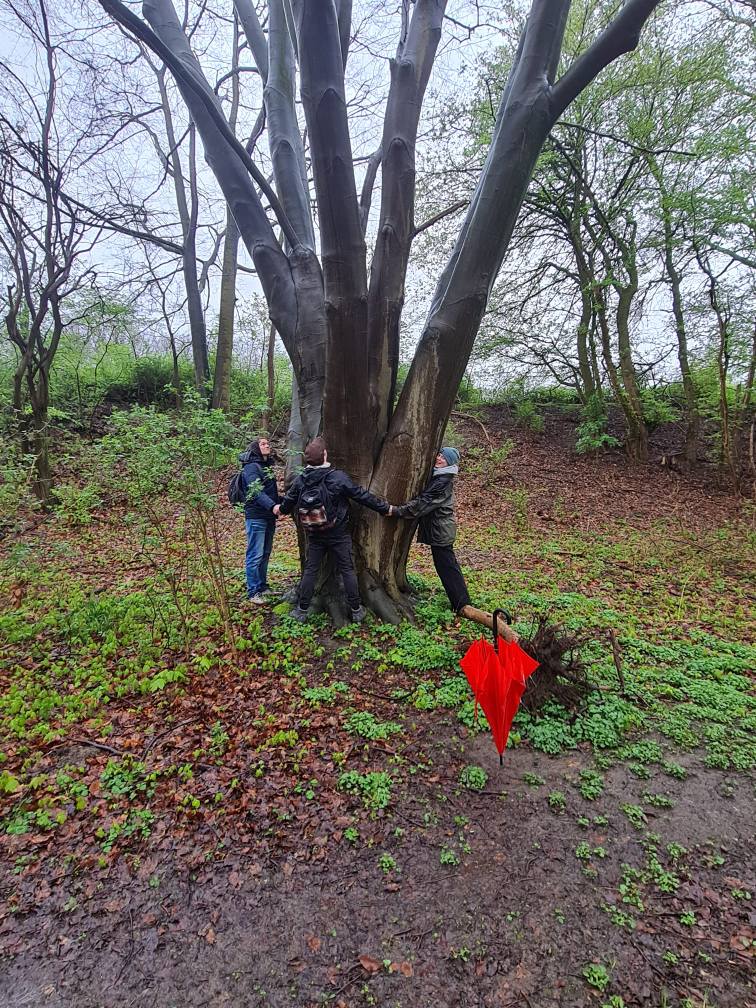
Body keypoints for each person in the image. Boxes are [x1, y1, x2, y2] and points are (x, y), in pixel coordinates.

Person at [274, 437, 390, 622]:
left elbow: (287, 504)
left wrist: (278, 509)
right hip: (338, 533)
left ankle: (301, 610)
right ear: (325, 455)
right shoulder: (337, 477)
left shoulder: (301, 480)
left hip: (314, 534)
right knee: (347, 570)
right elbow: (361, 495)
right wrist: (386, 508)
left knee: (311, 570)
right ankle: (356, 609)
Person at [389, 446, 472, 615]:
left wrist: (397, 511)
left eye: (444, 457)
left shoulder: (442, 481)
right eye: (439, 454)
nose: (439, 458)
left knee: (447, 566)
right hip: (441, 529)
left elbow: (424, 503)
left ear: (450, 462)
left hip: (441, 531)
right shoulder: (440, 477)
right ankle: (460, 601)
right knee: (446, 565)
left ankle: (461, 603)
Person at [239, 437, 281, 604]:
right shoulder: (250, 467)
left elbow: (270, 493)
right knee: (255, 554)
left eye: (267, 443)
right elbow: (256, 492)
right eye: (262, 444)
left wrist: (283, 502)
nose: (267, 446)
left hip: (268, 516)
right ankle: (253, 591)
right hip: (256, 516)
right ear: (255, 448)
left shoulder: (267, 466)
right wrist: (272, 506)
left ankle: (263, 586)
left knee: (265, 553)